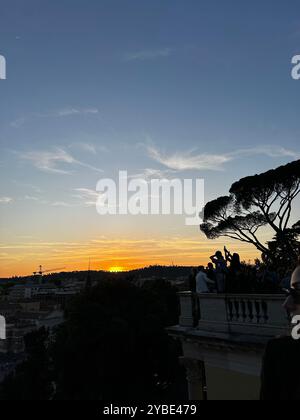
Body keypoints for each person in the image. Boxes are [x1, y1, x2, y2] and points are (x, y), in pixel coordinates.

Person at [260, 263, 300, 400]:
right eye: (289, 293)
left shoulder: (280, 352)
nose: (286, 304)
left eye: (296, 294)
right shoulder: (278, 350)